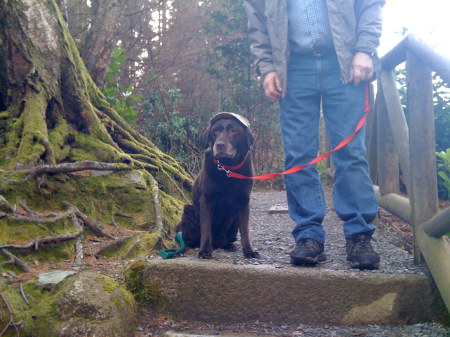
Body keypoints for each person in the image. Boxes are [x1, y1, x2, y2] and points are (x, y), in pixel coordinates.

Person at [244, 0, 385, 269]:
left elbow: (370, 5)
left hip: (344, 62)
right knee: (298, 155)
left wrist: (364, 49)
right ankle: (308, 234)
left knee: (350, 153)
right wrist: (267, 67)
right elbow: (257, 21)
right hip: (292, 68)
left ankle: (359, 235)